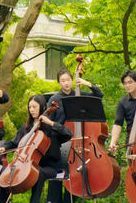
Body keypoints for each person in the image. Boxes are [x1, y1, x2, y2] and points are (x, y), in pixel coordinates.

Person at [0, 95, 72, 203]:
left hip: (50, 166)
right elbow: (14, 142)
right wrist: (4, 148)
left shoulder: (50, 128)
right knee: (4, 172)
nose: (32, 110)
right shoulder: (26, 128)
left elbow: (68, 134)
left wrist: (51, 123)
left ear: (43, 107)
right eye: (30, 107)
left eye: (35, 107)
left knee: (39, 174)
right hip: (27, 164)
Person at [46, 66, 103, 202]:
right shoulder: (55, 99)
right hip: (60, 142)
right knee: (58, 177)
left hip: (78, 142)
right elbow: (49, 122)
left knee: (74, 176)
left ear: (72, 80)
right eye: (62, 80)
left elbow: (99, 95)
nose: (66, 83)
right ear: (59, 82)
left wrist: (87, 84)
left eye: (68, 80)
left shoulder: (79, 95)